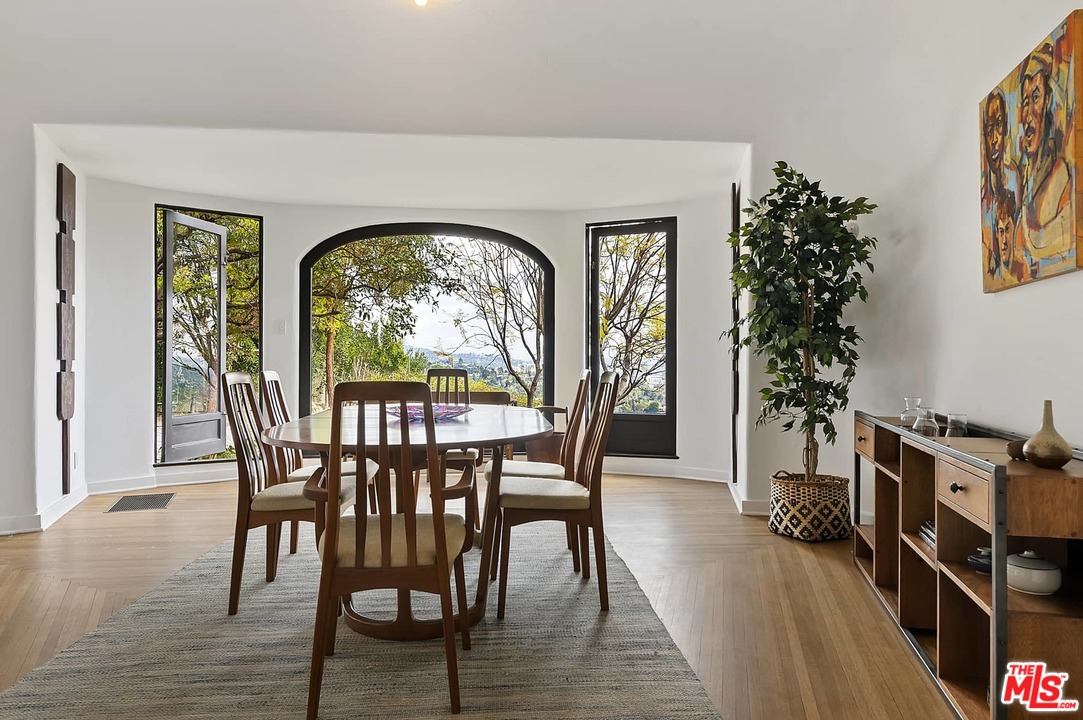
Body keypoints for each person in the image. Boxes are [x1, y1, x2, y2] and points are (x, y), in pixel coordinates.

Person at [1016, 42, 1072, 268]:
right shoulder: (1025, 182)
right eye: (1025, 102)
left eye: (1036, 97)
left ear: (1047, 101)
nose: (1029, 115)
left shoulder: (1060, 175)